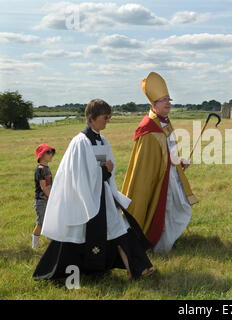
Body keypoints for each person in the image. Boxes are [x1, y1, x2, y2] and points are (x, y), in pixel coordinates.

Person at [33, 99, 153, 280]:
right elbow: (81, 173)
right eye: (105, 117)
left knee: (119, 227)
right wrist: (105, 170)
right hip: (85, 197)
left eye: (108, 117)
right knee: (76, 235)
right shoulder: (80, 142)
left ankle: (137, 268)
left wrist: (106, 172)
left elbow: (103, 168)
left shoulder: (102, 140)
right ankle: (57, 272)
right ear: (91, 118)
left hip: (102, 194)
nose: (107, 121)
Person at [122, 72, 198, 253]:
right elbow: (147, 163)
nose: (168, 103)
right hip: (158, 179)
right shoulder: (148, 128)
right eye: (164, 100)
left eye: (169, 100)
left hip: (171, 174)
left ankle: (167, 240)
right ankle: (161, 245)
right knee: (165, 208)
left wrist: (178, 162)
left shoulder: (165, 122)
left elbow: (168, 151)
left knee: (179, 206)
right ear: (153, 104)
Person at [32, 144, 55, 249]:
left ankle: (52, 244)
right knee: (40, 223)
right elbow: (44, 187)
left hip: (48, 199)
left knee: (50, 221)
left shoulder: (47, 168)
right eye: (48, 152)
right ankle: (35, 245)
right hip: (42, 201)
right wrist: (52, 198)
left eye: (52, 152)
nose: (51, 155)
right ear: (41, 155)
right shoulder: (41, 169)